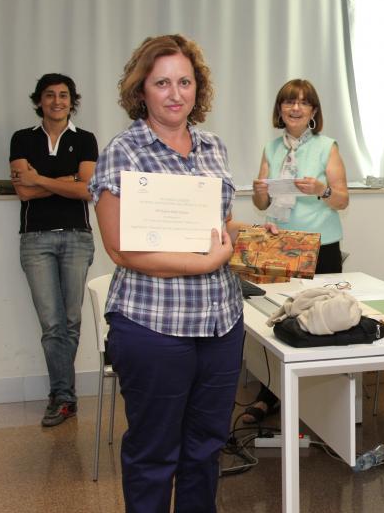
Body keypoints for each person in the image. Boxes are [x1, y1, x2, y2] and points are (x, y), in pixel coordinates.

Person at [90, 35, 252, 513]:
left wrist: (249, 234)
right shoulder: (123, 151)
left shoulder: (213, 147)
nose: (175, 93)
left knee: (206, 449)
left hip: (220, 324)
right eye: (162, 83)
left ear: (198, 88)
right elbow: (120, 248)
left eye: (185, 81)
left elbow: (216, 224)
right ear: (141, 89)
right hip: (153, 326)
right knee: (154, 454)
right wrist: (203, 263)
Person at [247, 78, 350, 422]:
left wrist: (321, 189)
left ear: (313, 111)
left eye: (304, 102)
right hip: (280, 245)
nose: (295, 108)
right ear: (279, 109)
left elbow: (342, 200)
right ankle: (271, 393)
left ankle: (323, 399)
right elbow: (262, 204)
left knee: (322, 320)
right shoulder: (271, 148)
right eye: (289, 102)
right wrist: (259, 191)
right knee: (277, 319)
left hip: (321, 246)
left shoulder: (326, 146)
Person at [10, 73, 98, 427]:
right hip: (36, 240)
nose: (57, 101)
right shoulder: (22, 139)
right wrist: (68, 181)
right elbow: (24, 193)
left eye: (63, 95)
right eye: (50, 95)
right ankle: (64, 397)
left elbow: (88, 190)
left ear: (72, 101)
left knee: (71, 320)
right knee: (52, 323)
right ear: (39, 101)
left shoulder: (85, 139)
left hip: (77, 237)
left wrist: (40, 179)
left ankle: (62, 396)